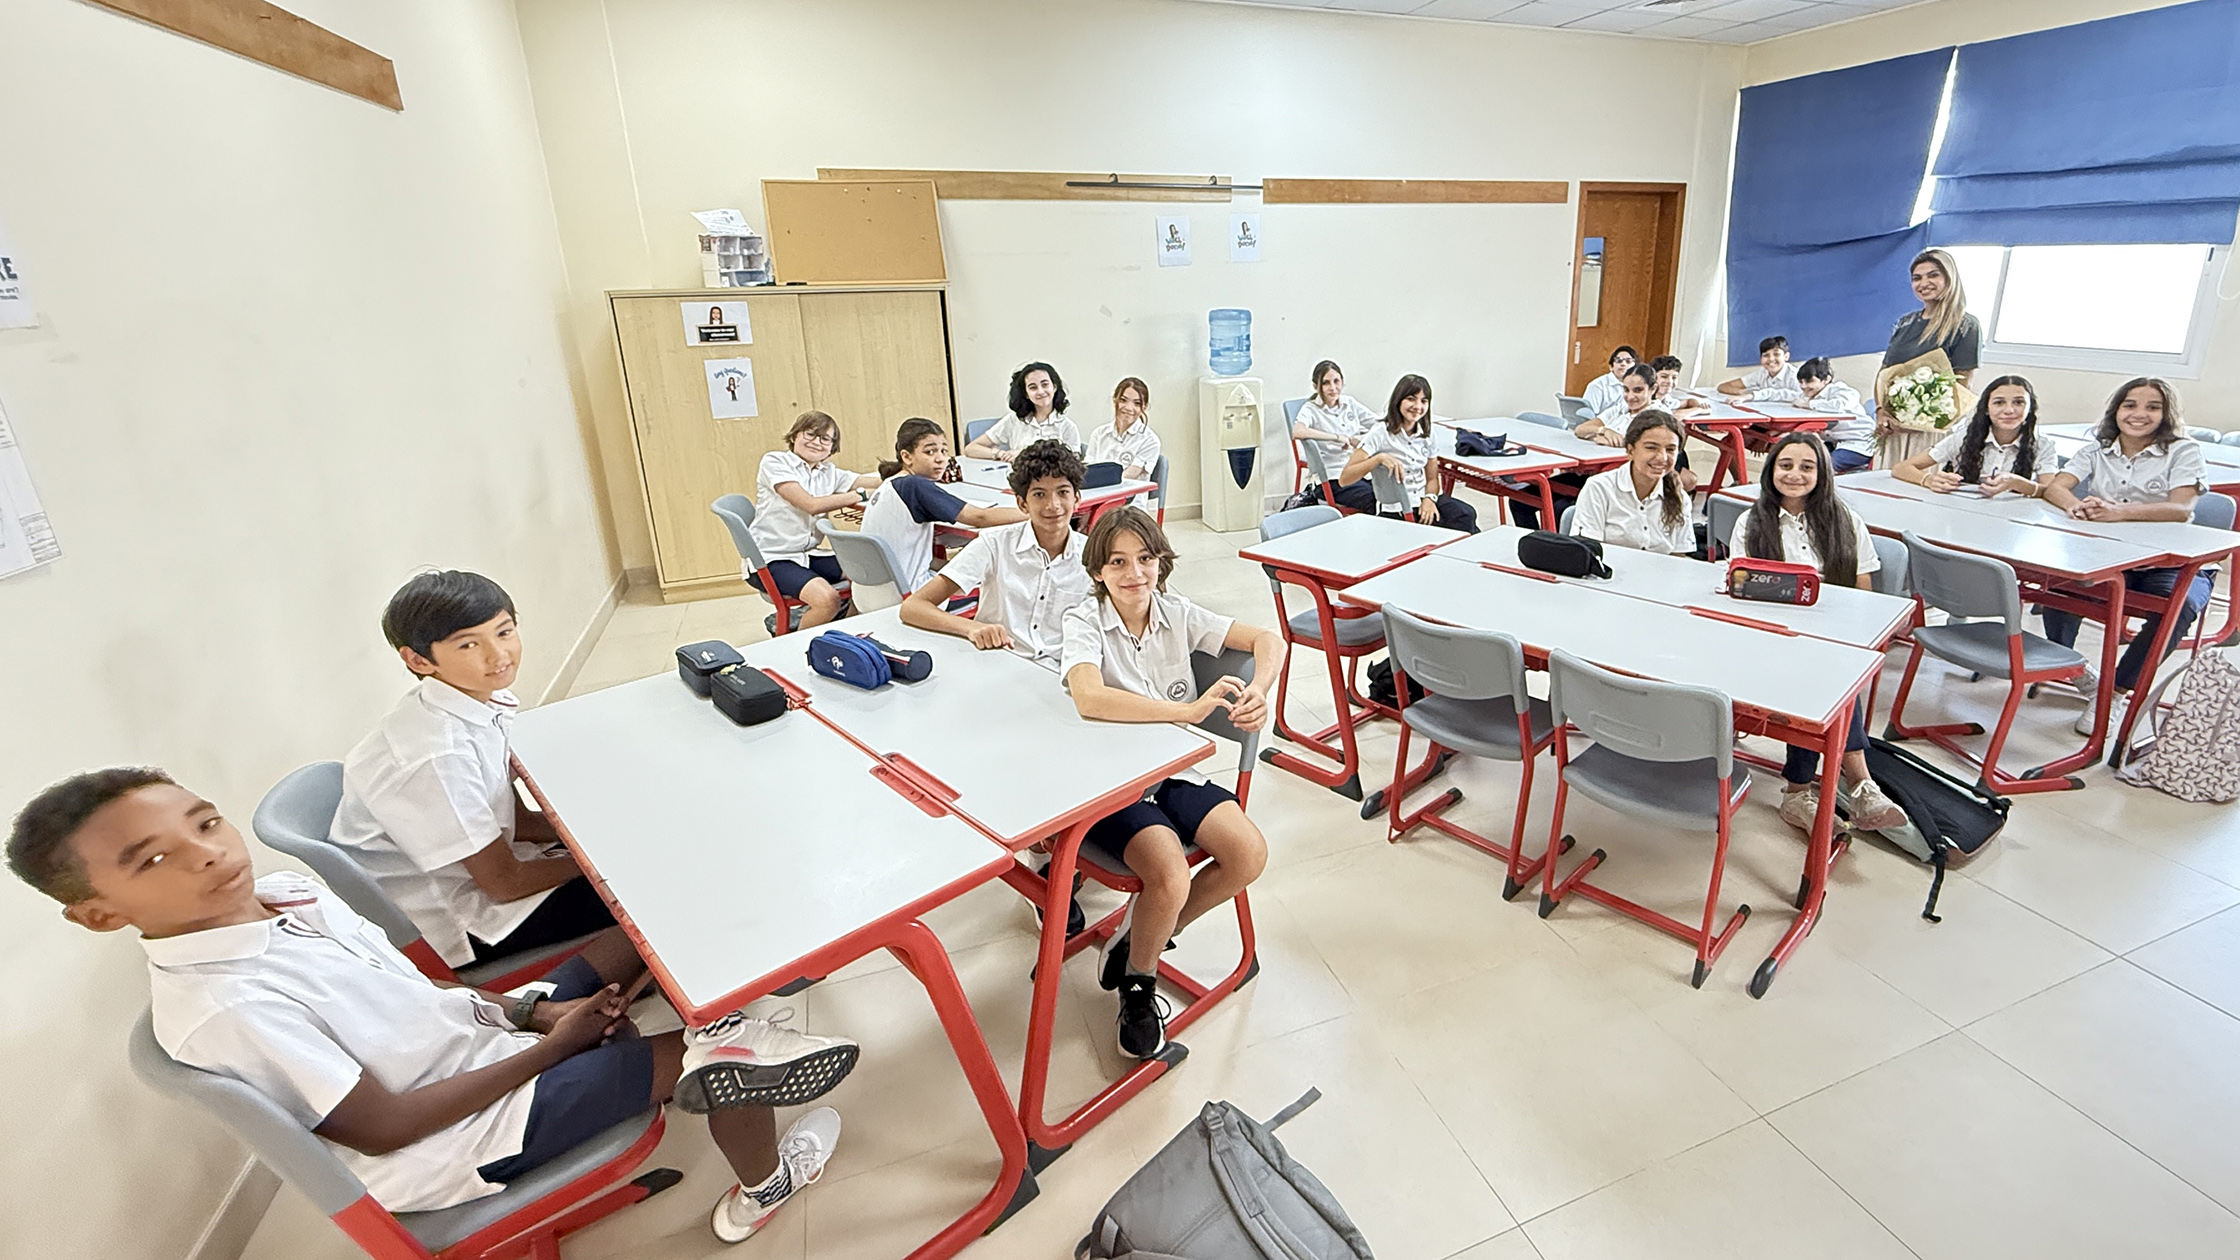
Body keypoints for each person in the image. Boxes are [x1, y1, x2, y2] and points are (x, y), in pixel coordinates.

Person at [9, 768, 860, 1243]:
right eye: (153, 860)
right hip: (462, 1135)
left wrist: (532, 1017)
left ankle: (713, 1021)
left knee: (640, 924)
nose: (206, 854)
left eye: (204, 823)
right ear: (99, 915)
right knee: (715, 1056)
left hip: (483, 1045)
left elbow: (418, 995)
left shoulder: (290, 895)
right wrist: (557, 1048)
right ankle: (762, 1184)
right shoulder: (220, 1005)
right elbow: (384, 1128)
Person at [330, 571, 641, 980]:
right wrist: (607, 857)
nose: (499, 655)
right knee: (652, 879)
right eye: (469, 644)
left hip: (490, 873)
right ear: (419, 660)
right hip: (471, 921)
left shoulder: (476, 702)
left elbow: (516, 822)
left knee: (638, 835)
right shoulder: (438, 754)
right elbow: (504, 883)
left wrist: (604, 833)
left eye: (504, 632)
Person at [1059, 507, 1282, 1058]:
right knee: (1169, 873)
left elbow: (1268, 639)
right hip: (1115, 782)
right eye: (1117, 562)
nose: (1134, 573)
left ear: (1161, 562)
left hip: (1176, 771)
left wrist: (1260, 688)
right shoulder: (1084, 620)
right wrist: (1185, 712)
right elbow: (1089, 696)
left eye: (1145, 558)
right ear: (1098, 571)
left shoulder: (1176, 611)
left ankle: (1141, 938)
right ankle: (1140, 983)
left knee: (1248, 854)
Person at [1737, 433, 1908, 834]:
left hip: (1832, 636)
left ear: (1822, 474)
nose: (1794, 474)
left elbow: (1863, 591)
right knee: (1820, 677)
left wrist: (1845, 636)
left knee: (1827, 673)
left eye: (1806, 467)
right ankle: (1858, 783)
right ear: (1771, 470)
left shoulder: (1846, 521)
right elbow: (1741, 589)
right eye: (1785, 465)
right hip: (1772, 636)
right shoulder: (1751, 522)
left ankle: (1801, 792)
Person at [2041, 378, 2211, 735]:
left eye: (2153, 407)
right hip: (2111, 557)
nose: (2139, 414)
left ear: (2166, 415)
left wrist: (2119, 512)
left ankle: (2115, 693)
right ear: (2116, 410)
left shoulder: (2184, 450)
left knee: (2178, 607)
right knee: (2055, 585)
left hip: (2170, 562)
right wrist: (2075, 507)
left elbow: (2181, 508)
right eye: (2130, 405)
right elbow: (2057, 487)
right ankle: (2078, 672)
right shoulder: (2099, 448)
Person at [900, 439, 1092, 659]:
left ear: (1077, 498)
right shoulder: (994, 544)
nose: (1053, 505)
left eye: (1063, 492)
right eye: (1039, 494)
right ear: (1022, 504)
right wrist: (972, 628)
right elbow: (913, 607)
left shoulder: (1093, 555)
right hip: (1000, 660)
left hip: (1062, 667)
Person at [861, 418, 1027, 597]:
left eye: (944, 451)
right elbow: (979, 517)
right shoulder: (914, 486)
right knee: (997, 585)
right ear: (907, 457)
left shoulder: (889, 484)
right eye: (930, 452)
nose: (940, 459)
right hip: (909, 597)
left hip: (870, 594)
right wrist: (1032, 512)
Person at [747, 411, 879, 629]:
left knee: (867, 572)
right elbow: (811, 504)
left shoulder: (827, 471)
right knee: (827, 600)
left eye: (825, 438)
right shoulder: (775, 462)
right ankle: (797, 646)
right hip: (772, 558)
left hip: (807, 554)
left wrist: (904, 474)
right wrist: (861, 495)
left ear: (832, 447)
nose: (817, 442)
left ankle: (846, 632)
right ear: (794, 436)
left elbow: (868, 480)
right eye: (810, 434)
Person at [1877, 248, 1981, 467]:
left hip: (1933, 430)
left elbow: (1962, 385)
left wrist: (1920, 419)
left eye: (1933, 275)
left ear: (1949, 278)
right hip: (1894, 427)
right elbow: (1884, 373)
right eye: (1917, 278)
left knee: (1921, 483)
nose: (1924, 283)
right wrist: (1881, 412)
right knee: (1886, 479)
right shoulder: (1904, 323)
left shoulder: (1965, 325)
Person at [1340, 375, 1479, 533]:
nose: (1417, 406)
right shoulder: (1380, 433)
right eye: (1411, 399)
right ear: (1398, 400)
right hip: (1396, 508)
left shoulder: (1427, 433)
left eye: (1423, 401)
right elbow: (1345, 478)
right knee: (1452, 528)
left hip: (1423, 499)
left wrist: (1430, 499)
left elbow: (1432, 479)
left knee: (1466, 515)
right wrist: (1378, 459)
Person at [1893, 374, 2050, 497]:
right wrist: (1929, 479)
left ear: (2030, 408)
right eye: (1999, 403)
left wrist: (2017, 483)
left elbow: (2050, 491)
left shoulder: (2043, 445)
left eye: (2018, 402)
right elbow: (1901, 468)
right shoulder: (1964, 437)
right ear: (1986, 408)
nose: (2009, 410)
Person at [1567, 412, 1696, 556]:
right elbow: (1588, 553)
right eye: (1651, 447)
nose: (1662, 457)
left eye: (1670, 449)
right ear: (1630, 451)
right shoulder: (1599, 488)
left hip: (1658, 570)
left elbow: (1679, 558)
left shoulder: (1681, 498)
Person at [1290, 359, 1379, 512]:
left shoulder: (1349, 403)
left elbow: (1379, 425)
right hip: (1333, 478)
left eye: (1336, 381)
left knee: (1388, 495)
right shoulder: (1311, 409)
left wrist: (1361, 438)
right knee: (1373, 500)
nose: (1333, 388)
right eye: (1326, 383)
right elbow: (1297, 431)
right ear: (1316, 386)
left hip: (1358, 472)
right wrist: (1337, 437)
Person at [963, 362, 1081, 461]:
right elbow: (971, 449)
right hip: (1018, 478)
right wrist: (1000, 454)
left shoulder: (1067, 427)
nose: (1040, 391)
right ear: (1026, 394)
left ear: (1054, 387)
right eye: (1033, 387)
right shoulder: (1014, 420)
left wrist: (1025, 455)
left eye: (1045, 385)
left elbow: (1073, 462)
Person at [1793, 357, 1876, 473]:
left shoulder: (1841, 390)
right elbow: (1790, 396)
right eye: (1801, 382)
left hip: (1860, 443)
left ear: (1826, 379)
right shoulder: (1810, 394)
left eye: (1809, 381)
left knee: (1823, 468)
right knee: (1805, 459)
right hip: (1836, 442)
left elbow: (1840, 405)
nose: (1803, 386)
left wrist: (1809, 404)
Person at [1085, 377, 1162, 481]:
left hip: (1129, 491)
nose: (1129, 408)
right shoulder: (1099, 434)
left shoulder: (1150, 440)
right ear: (1114, 400)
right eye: (1123, 400)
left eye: (1137, 403)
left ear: (1145, 407)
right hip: (1097, 489)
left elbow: (1128, 476)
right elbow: (1088, 470)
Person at [1717, 335, 1801, 400]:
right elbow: (1723, 386)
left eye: (1776, 354)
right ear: (1761, 359)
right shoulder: (1761, 373)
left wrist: (1755, 395)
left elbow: (1803, 396)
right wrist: (1742, 393)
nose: (1771, 359)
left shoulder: (1795, 375)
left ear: (1786, 356)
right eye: (1766, 355)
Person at [1579, 346, 1637, 417]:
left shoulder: (1639, 386)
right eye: (1619, 360)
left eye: (1628, 361)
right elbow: (1588, 417)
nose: (1623, 364)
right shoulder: (1597, 385)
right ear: (1611, 367)